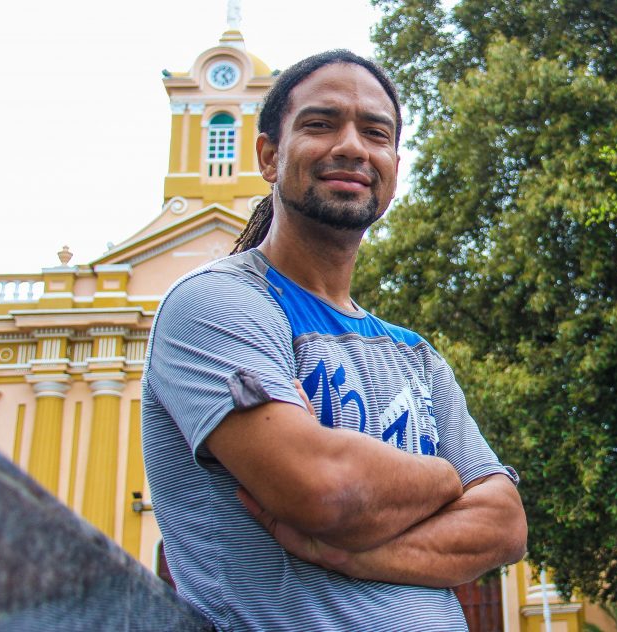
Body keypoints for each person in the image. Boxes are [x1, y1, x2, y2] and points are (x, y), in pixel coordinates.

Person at [141, 49, 527, 631]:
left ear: (392, 170)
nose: (352, 146)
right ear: (270, 156)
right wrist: (447, 479)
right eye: (321, 124)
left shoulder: (415, 355)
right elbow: (323, 489)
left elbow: (505, 524)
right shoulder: (217, 303)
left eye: (375, 132)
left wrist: (345, 551)